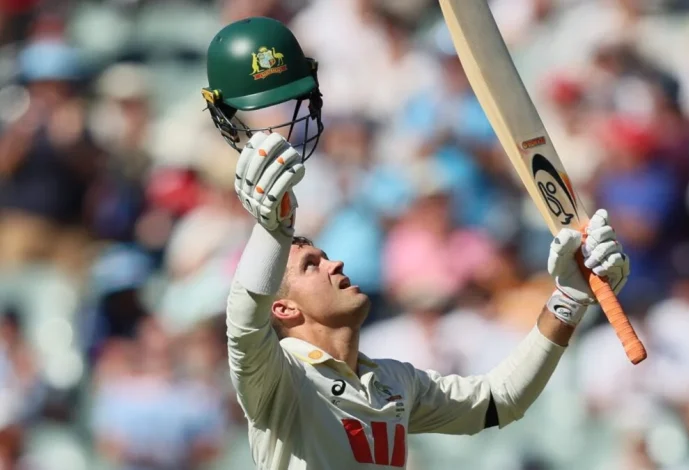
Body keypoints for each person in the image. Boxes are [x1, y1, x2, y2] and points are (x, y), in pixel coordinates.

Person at [202, 17, 631, 470]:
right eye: (312, 265)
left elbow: (497, 401)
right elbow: (244, 323)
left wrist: (570, 297)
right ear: (284, 309)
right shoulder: (277, 377)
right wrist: (271, 231)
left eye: (324, 257)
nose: (335, 264)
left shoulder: (392, 381)